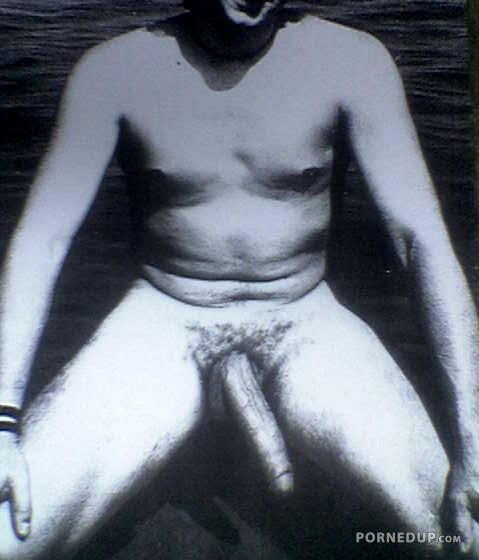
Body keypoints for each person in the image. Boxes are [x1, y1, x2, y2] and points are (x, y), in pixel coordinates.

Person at [0, 0, 478, 558]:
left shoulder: (353, 62)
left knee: (461, 537)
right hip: (164, 319)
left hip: (304, 320)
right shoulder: (113, 71)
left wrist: (472, 445)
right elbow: (43, 238)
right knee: (10, 538)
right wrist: (2, 425)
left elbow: (420, 239)